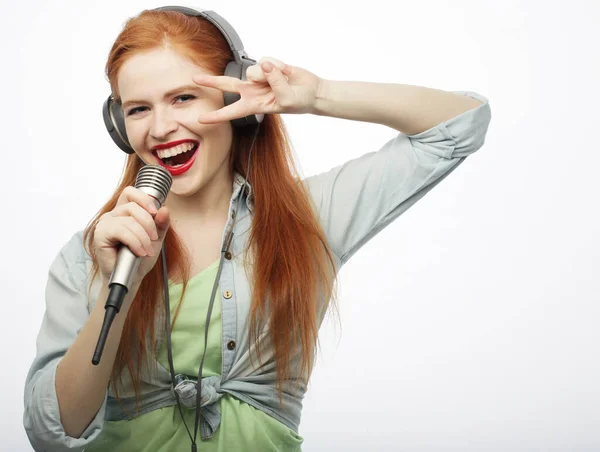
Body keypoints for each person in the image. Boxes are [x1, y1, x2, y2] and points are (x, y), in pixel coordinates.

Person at [23, 6, 492, 452]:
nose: (161, 127)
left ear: (234, 101)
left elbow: (461, 124)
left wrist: (317, 96)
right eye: (138, 109)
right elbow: (51, 433)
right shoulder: (91, 254)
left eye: (183, 98)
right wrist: (115, 285)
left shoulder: (309, 218)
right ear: (118, 124)